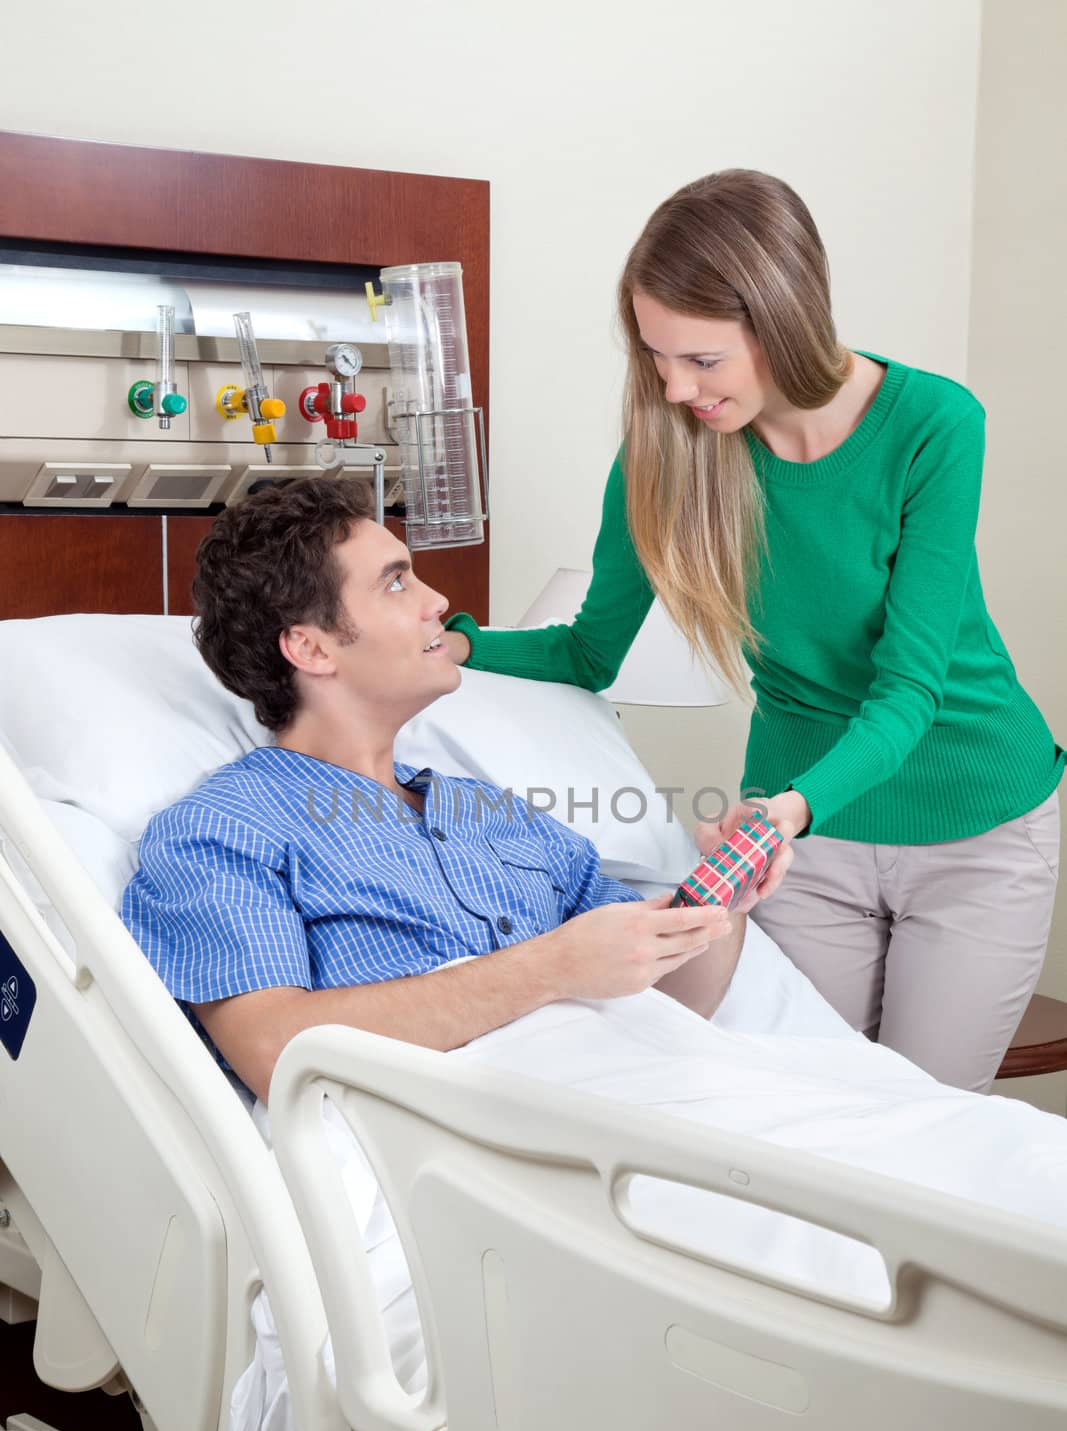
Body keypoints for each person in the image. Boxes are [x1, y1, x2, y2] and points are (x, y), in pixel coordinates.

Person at [442, 168, 1064, 1094]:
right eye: (656, 356)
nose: (674, 386)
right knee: (798, 1110)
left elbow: (908, 691)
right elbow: (584, 654)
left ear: (780, 322)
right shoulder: (666, 456)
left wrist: (788, 811)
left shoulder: (932, 425)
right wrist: (458, 644)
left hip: (972, 821)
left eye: (701, 360)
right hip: (800, 846)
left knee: (921, 1127)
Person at [121, 477, 762, 1105]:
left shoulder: (495, 814)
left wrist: (721, 904)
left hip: (655, 1099)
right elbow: (273, 1048)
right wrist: (551, 968)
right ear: (311, 648)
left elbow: (673, 999)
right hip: (494, 1156)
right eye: (396, 582)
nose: (436, 601)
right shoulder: (225, 830)